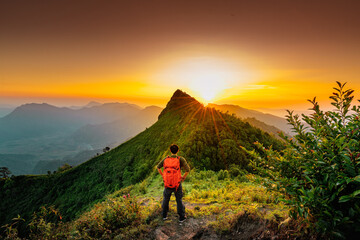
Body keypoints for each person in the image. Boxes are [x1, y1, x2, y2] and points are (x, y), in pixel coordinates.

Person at [157, 144, 190, 222]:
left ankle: (164, 215)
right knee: (179, 200)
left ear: (170, 150)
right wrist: (183, 177)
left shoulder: (166, 159)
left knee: (166, 199)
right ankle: (181, 217)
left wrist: (163, 175)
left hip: (167, 183)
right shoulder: (180, 159)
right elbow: (187, 169)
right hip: (177, 183)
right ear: (178, 151)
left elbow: (158, 167)